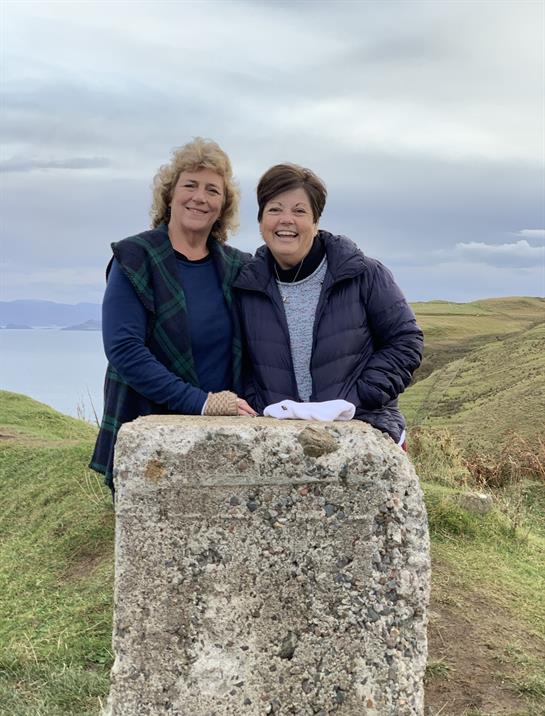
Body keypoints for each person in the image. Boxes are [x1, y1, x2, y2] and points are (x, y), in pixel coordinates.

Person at [91, 138, 256, 491]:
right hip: (149, 435)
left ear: (223, 204)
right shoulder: (136, 258)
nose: (200, 197)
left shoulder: (239, 268)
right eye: (190, 185)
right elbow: (124, 350)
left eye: (213, 189)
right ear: (170, 194)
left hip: (225, 436)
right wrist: (201, 403)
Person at [234, 163, 423, 449]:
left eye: (299, 211)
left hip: (363, 429)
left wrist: (361, 397)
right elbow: (240, 362)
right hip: (278, 440)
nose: (286, 220)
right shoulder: (246, 287)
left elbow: (405, 341)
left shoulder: (364, 274)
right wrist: (260, 402)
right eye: (274, 209)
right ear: (261, 220)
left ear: (315, 221)